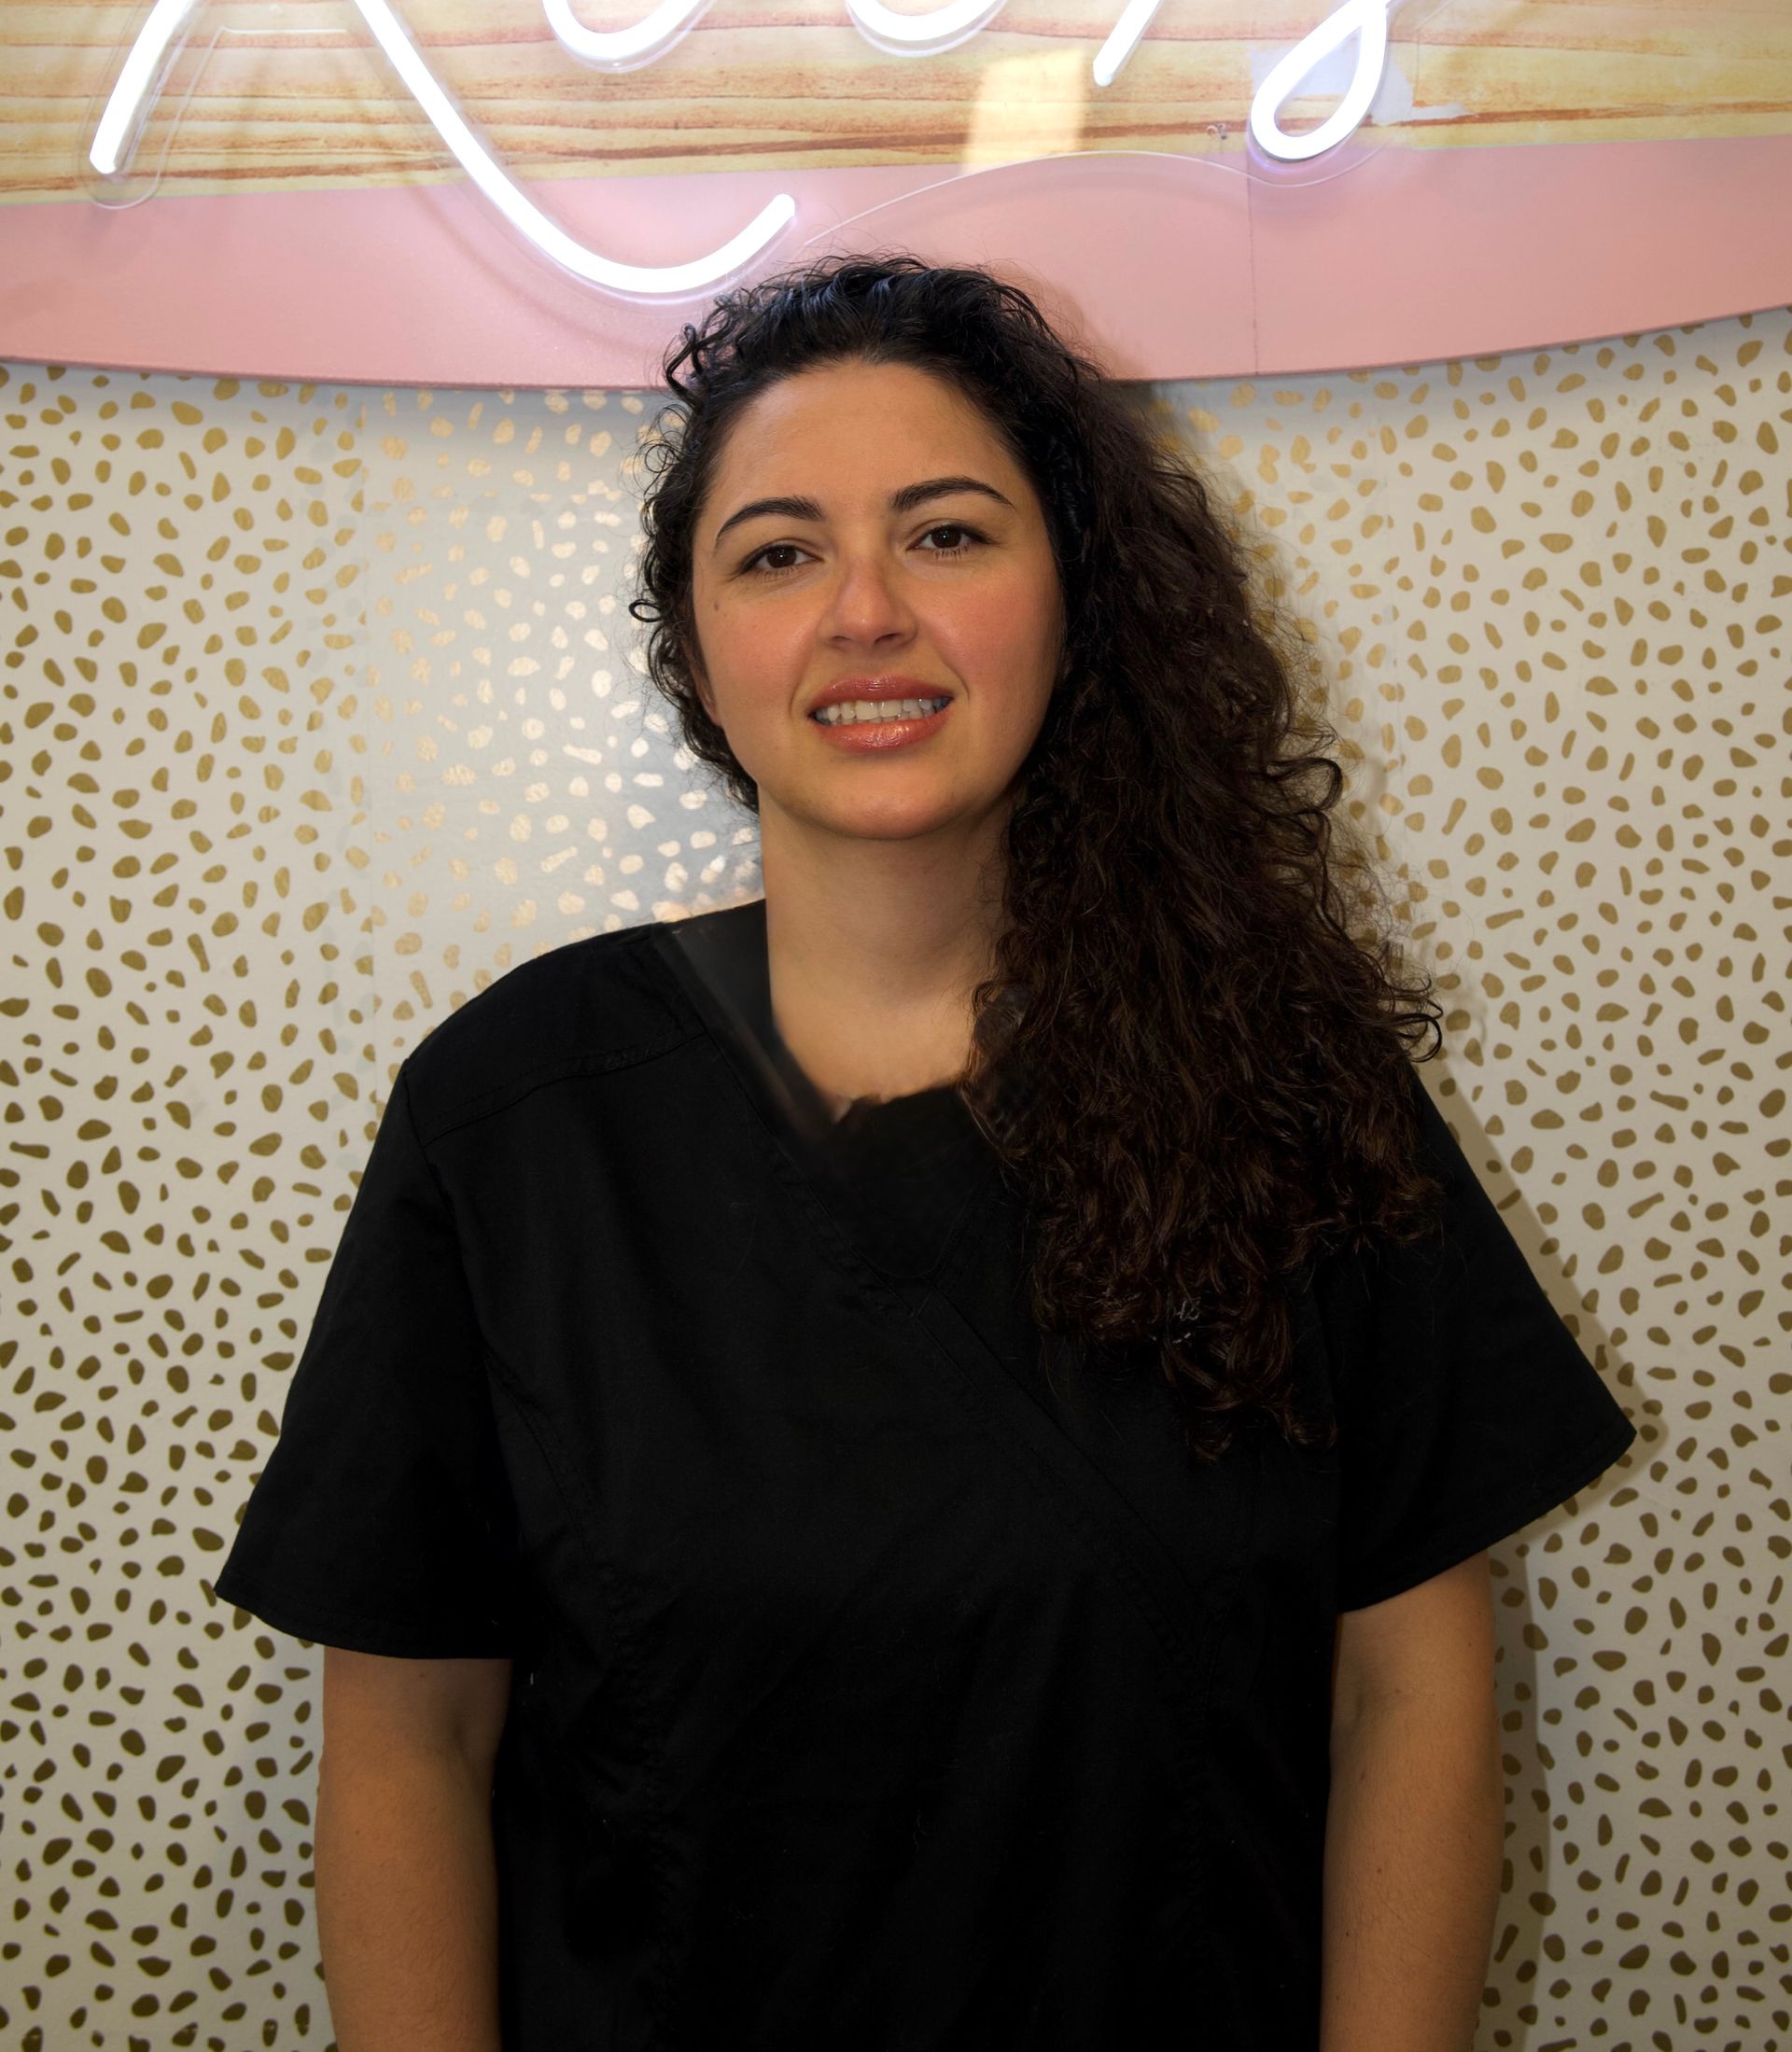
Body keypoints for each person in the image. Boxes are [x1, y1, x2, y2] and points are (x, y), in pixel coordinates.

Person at [213, 255, 1636, 2052]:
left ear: (1076, 601)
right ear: (694, 645)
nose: (866, 612)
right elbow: (409, 1738)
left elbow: (1409, 1690)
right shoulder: (506, 1121)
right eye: (778, 553)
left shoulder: (1282, 1088)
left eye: (948, 535)